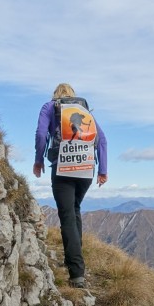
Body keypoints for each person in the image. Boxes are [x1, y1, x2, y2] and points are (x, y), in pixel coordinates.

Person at [33, 83, 108, 288]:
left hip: (63, 166)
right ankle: (74, 258)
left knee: (66, 215)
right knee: (74, 209)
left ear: (55, 95)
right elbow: (102, 140)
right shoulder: (83, 110)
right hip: (86, 168)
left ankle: (76, 274)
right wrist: (102, 170)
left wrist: (38, 160)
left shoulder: (50, 107)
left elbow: (41, 135)